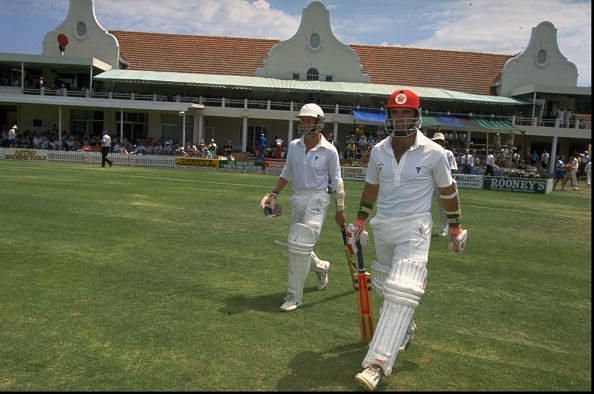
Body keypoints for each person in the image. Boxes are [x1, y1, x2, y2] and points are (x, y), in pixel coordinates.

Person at [345, 89, 468, 391]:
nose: (400, 119)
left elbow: (448, 192)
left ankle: (376, 364)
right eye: (395, 113)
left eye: (406, 113)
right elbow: (371, 189)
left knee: (402, 289)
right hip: (384, 226)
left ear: (416, 115)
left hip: (415, 227)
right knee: (388, 287)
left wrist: (455, 228)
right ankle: (406, 328)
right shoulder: (378, 151)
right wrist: (359, 222)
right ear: (389, 117)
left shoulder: (434, 153)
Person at [261, 103, 346, 312]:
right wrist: (274, 194)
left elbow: (337, 181)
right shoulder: (294, 145)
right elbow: (287, 172)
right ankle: (321, 266)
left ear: (319, 122)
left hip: (318, 198)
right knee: (296, 245)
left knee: (301, 240)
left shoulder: (329, 150)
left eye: (310, 120)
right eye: (303, 120)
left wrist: (340, 210)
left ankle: (293, 296)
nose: (306, 123)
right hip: (298, 198)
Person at [431, 132, 458, 236]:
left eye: (440, 141)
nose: (438, 143)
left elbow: (452, 169)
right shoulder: (429, 152)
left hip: (443, 183)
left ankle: (444, 229)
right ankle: (425, 228)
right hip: (430, 183)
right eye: (436, 141)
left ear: (443, 142)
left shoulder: (448, 153)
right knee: (425, 206)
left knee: (443, 208)